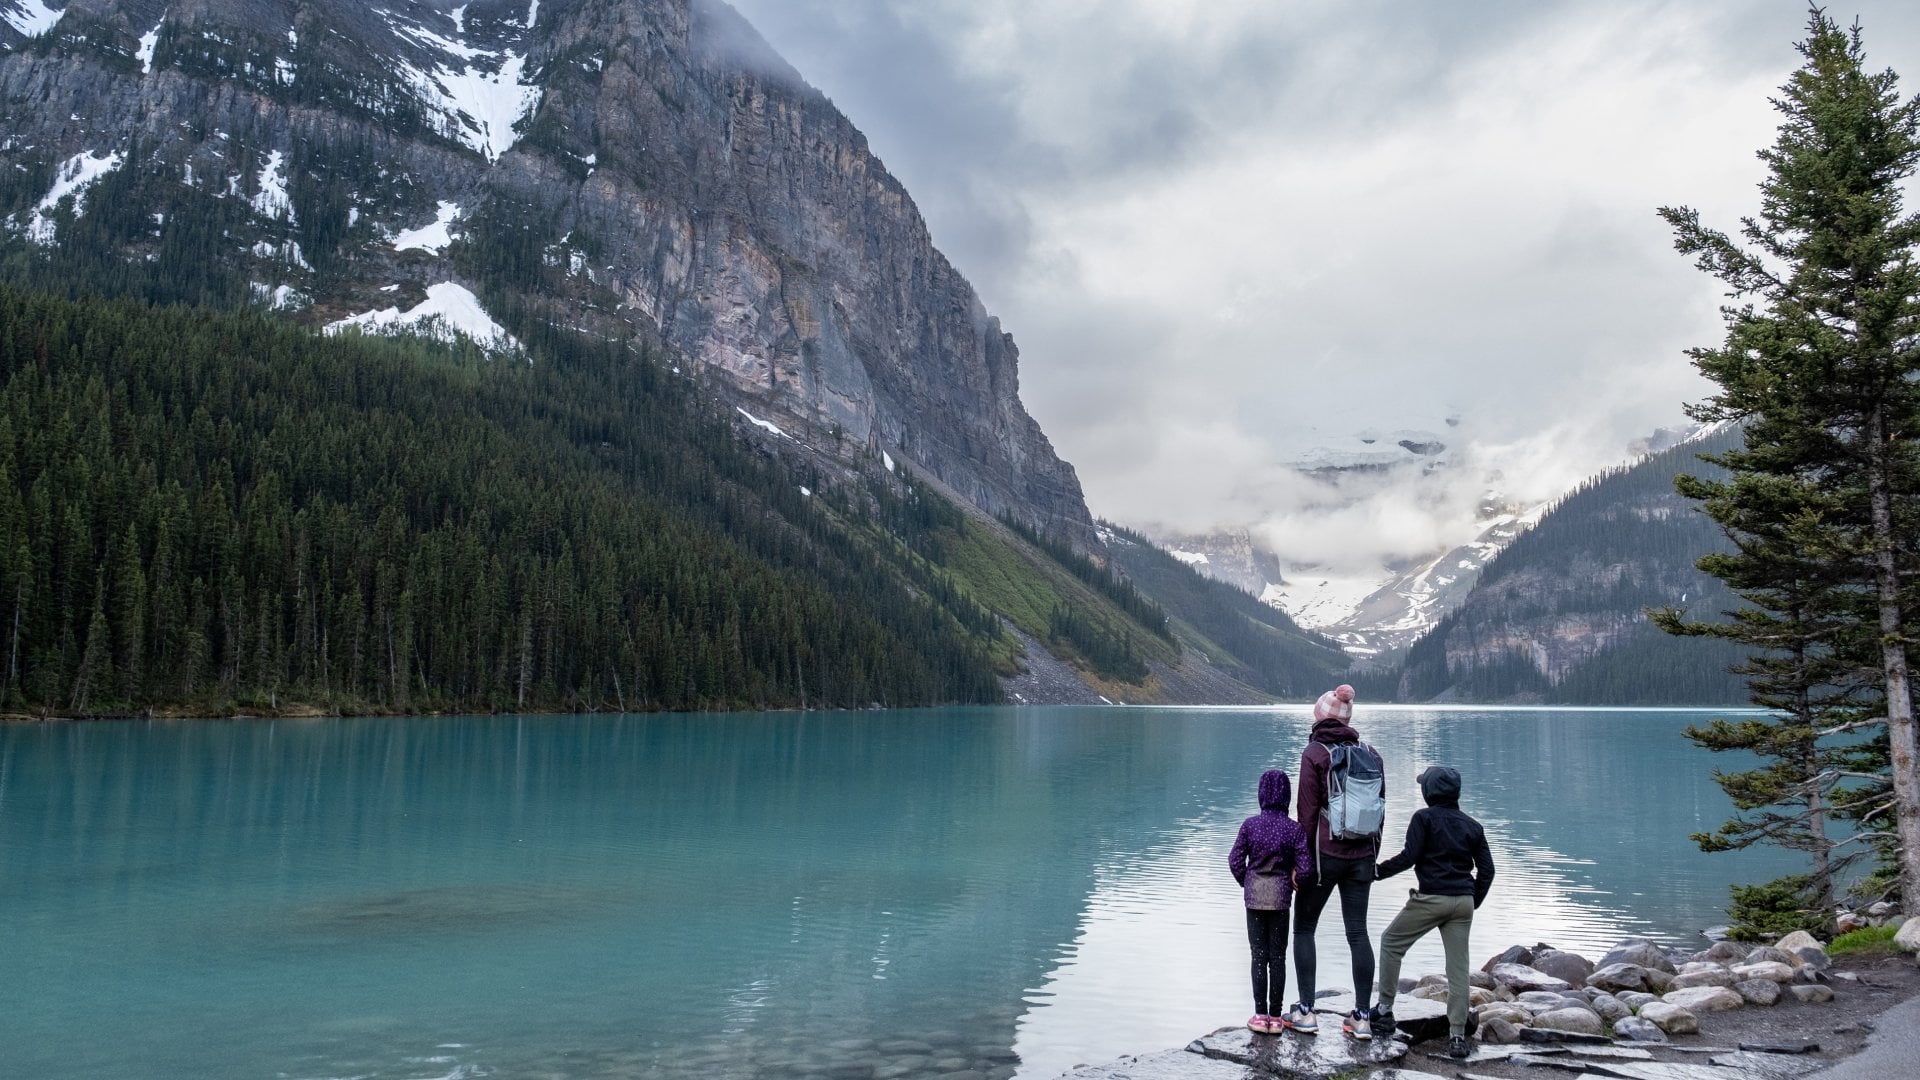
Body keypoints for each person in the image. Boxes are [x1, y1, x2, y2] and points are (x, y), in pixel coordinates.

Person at [1371, 765, 1496, 1060]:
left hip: (1431, 898)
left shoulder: (1423, 818)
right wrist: (1471, 900)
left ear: (1430, 791)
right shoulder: (1472, 825)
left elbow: (1409, 857)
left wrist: (1376, 871)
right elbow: (1488, 870)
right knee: (1457, 969)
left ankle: (1385, 1010)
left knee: (1391, 942)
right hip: (1462, 902)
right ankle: (1456, 1037)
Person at [1286, 684, 1383, 1039]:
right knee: (1358, 932)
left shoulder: (1314, 754)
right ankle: (1361, 1017)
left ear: (1320, 718)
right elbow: (1379, 811)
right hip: (1362, 856)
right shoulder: (1371, 753)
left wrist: (1301, 862)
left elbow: (1307, 814)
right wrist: (1373, 856)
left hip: (1325, 855)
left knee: (1304, 928)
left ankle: (1307, 1013)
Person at [1229, 768, 1313, 1035]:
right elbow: (1307, 868)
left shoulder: (1250, 825)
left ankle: (1260, 1015)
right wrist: (1292, 880)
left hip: (1254, 899)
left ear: (1261, 794)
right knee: (1277, 957)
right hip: (1280, 900)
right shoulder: (1294, 829)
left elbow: (1234, 861)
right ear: (1286, 795)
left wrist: (1248, 881)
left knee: (1258, 956)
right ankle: (1276, 1018)